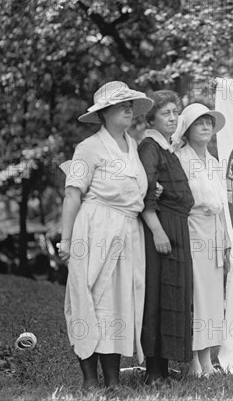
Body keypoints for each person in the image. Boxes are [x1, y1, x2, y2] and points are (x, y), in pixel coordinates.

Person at [59, 81, 153, 390]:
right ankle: (90, 381)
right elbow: (72, 194)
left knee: (117, 303)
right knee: (88, 299)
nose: (128, 109)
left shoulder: (132, 146)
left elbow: (133, 190)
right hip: (94, 229)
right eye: (121, 105)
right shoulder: (88, 148)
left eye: (130, 105)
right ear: (104, 113)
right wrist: (67, 239)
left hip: (127, 233)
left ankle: (112, 379)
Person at [138, 90, 195, 383]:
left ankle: (161, 368)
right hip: (161, 229)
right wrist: (158, 231)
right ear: (152, 118)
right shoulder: (149, 147)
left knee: (172, 294)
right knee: (157, 295)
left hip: (177, 227)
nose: (173, 117)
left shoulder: (166, 147)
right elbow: (145, 193)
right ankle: (153, 372)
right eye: (165, 113)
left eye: (175, 112)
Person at [172, 103, 230, 377]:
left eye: (209, 122)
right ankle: (193, 361)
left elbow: (222, 204)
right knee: (194, 298)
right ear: (188, 129)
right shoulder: (179, 159)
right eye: (200, 123)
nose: (206, 127)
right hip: (192, 230)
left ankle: (207, 359)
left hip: (215, 233)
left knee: (212, 300)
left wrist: (227, 242)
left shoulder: (214, 161)